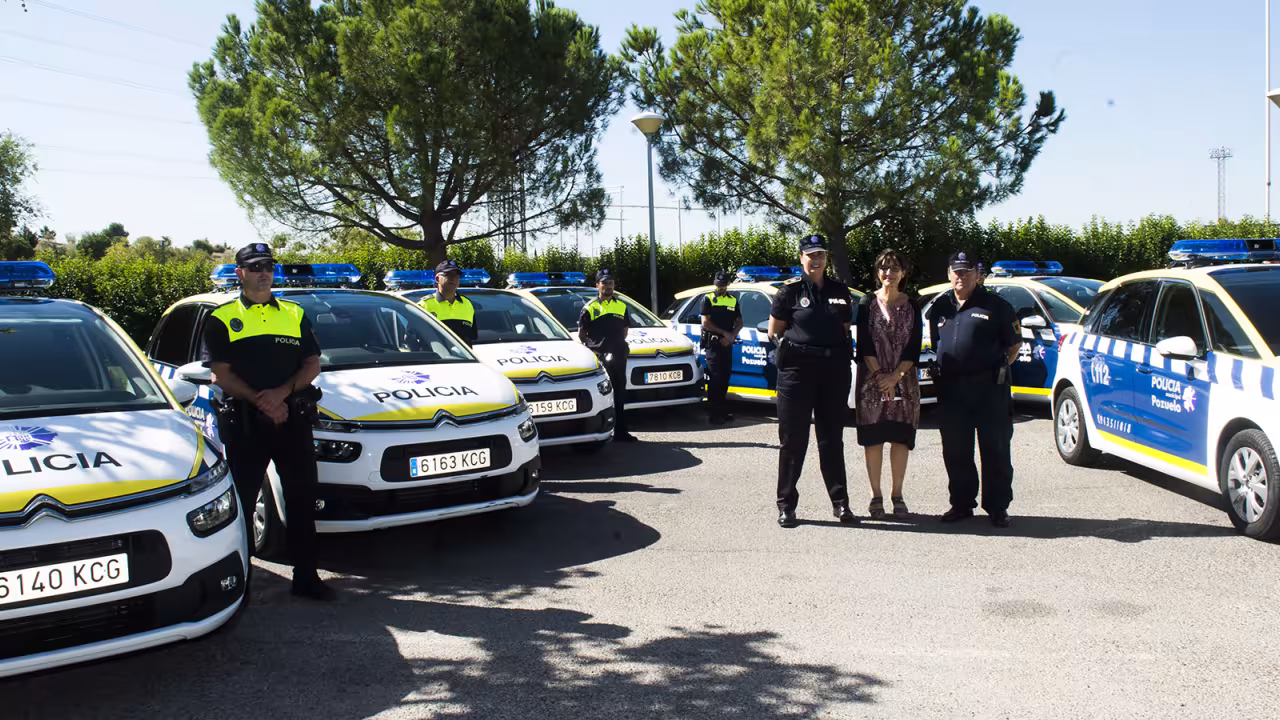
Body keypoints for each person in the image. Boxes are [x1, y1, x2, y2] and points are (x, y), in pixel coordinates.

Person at [204, 242, 333, 600]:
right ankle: (241, 583)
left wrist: (281, 394)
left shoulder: (293, 313)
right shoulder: (221, 318)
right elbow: (221, 374)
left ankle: (306, 577)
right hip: (247, 423)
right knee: (242, 503)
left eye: (269, 267)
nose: (264, 272)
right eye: (256, 266)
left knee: (302, 499)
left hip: (292, 419)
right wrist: (263, 400)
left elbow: (312, 365)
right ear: (240, 273)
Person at [926, 250, 1022, 528]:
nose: (961, 276)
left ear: (977, 275)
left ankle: (997, 507)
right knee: (956, 451)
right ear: (948, 274)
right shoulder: (940, 307)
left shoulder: (997, 306)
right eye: (956, 271)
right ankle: (961, 503)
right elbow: (937, 344)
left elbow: (1013, 345)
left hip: (989, 388)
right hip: (952, 389)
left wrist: (994, 368)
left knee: (995, 449)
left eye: (967, 271)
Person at [767, 234, 856, 528]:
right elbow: (774, 330)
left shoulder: (839, 290)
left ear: (826, 258)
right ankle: (786, 506)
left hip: (833, 371)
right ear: (801, 257)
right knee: (793, 440)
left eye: (820, 255)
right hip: (797, 372)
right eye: (810, 255)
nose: (815, 260)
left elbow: (844, 328)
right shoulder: (788, 293)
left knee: (832, 439)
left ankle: (840, 504)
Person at [855, 249, 923, 519]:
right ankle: (876, 495)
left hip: (904, 382)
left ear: (903, 273)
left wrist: (896, 376)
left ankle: (897, 493)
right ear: (877, 272)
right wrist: (881, 376)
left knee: (899, 438)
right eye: (884, 267)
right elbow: (863, 344)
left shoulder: (913, 305)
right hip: (872, 382)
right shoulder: (865, 303)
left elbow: (914, 347)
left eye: (895, 268)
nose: (889, 273)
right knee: (874, 439)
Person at [579, 269, 638, 442]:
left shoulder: (621, 306)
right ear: (597, 285)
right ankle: (600, 431)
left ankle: (621, 431)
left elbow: (625, 331)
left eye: (610, 283)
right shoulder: (590, 307)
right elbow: (582, 335)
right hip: (600, 357)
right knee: (601, 395)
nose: (608, 286)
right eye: (604, 283)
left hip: (618, 356)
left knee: (619, 394)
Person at [699, 271, 742, 424]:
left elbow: (739, 322)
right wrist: (725, 334)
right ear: (714, 283)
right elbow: (706, 323)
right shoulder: (708, 299)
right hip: (713, 343)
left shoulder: (732, 300)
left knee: (725, 377)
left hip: (726, 344)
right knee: (715, 378)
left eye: (723, 285)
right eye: (718, 285)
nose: (721, 288)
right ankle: (713, 414)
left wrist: (732, 335)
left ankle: (722, 411)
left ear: (727, 285)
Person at [418, 259, 477, 345]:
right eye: (448, 275)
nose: (453, 278)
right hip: (433, 358)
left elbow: (472, 337)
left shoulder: (467, 304)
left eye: (456, 275)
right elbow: (411, 338)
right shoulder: (424, 305)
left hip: (463, 358)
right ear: (437, 279)